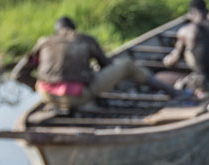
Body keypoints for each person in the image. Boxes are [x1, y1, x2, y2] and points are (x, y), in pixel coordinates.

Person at [10, 16, 175, 113]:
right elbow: (106, 65)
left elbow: (18, 74)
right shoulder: (85, 40)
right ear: (73, 29)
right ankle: (171, 91)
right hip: (78, 96)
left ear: (56, 31)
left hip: (46, 95)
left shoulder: (44, 42)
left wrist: (39, 87)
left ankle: (57, 97)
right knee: (126, 65)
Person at [161, 0, 209, 101]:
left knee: (164, 79)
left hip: (205, 83)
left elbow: (173, 60)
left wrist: (165, 61)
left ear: (191, 12)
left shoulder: (186, 31)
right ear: (206, 10)